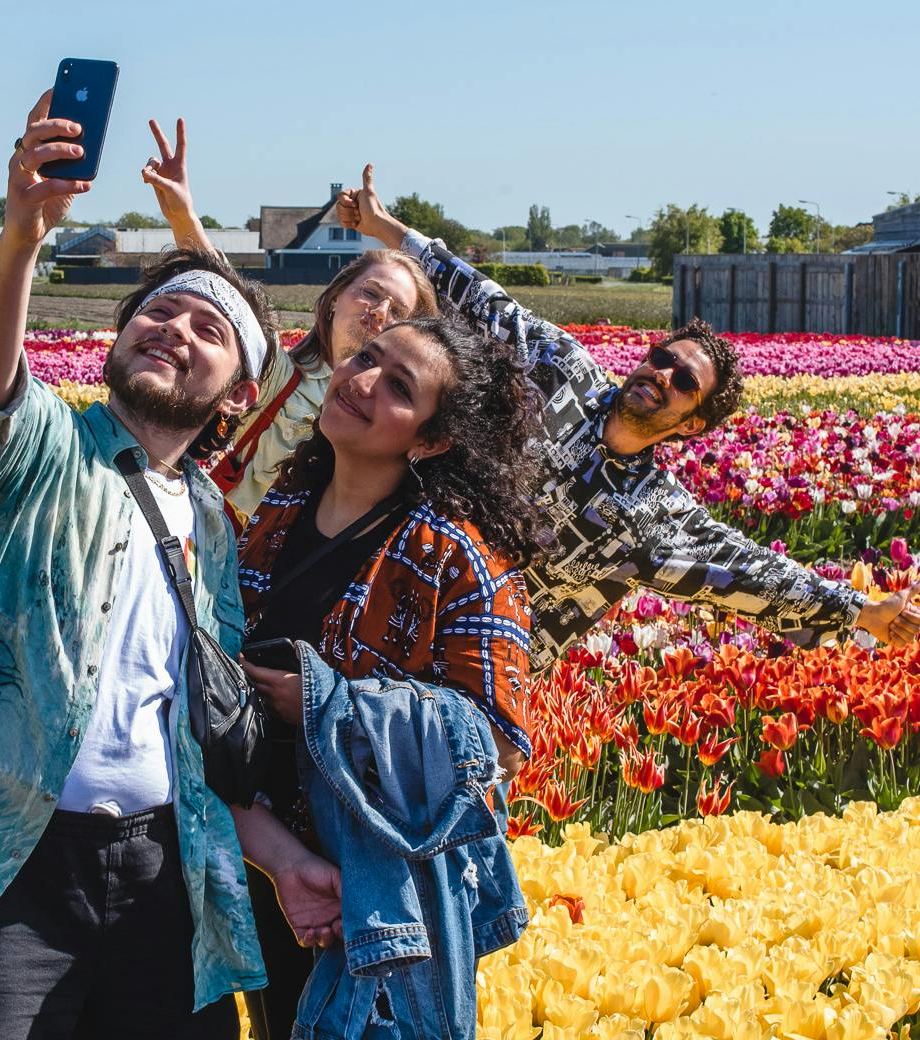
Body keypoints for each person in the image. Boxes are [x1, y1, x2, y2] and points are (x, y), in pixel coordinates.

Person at [0, 89, 342, 1040]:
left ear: (236, 392)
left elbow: (191, 735)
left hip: (161, 880)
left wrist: (282, 858)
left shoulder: (212, 524)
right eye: (157, 313)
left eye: (208, 330)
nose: (173, 329)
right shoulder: (40, 453)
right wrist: (22, 234)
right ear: (119, 338)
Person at [336, 166, 920, 670]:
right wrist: (385, 229)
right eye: (662, 358)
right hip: (385, 596)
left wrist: (862, 610)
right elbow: (483, 298)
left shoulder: (655, 515)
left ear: (692, 424)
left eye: (684, 383)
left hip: (478, 670)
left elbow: (755, 573)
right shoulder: (562, 370)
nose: (662, 375)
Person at [232, 316, 549, 1038]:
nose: (362, 381)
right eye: (366, 358)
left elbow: (495, 744)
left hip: (372, 881)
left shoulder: (460, 558)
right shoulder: (283, 506)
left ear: (430, 442)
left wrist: (330, 706)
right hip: (257, 847)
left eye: (399, 387)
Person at [142, 119, 439, 520]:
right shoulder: (282, 378)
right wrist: (183, 216)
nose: (379, 312)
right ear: (335, 299)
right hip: (225, 543)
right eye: (370, 292)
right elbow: (231, 297)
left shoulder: (397, 420)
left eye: (398, 311)